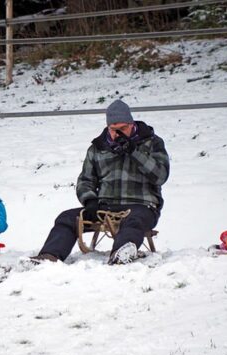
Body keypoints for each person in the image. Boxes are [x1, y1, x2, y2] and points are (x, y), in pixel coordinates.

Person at [30, 99, 170, 264]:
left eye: (123, 128)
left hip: (141, 205)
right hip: (105, 206)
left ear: (131, 124)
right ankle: (49, 256)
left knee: (134, 220)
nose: (119, 133)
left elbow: (161, 176)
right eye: (114, 129)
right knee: (67, 218)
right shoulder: (98, 147)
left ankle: (122, 253)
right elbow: (85, 180)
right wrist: (90, 200)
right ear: (108, 127)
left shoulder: (152, 142)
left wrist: (134, 152)